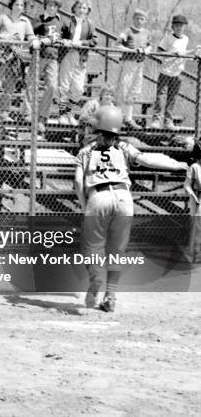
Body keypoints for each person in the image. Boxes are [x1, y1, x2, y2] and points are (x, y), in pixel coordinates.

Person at [74, 105, 187, 312]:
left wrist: (85, 207)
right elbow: (146, 159)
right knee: (117, 249)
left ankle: (95, 279)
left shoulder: (84, 152)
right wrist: (176, 164)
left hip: (98, 197)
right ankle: (111, 295)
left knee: (91, 247)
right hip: (124, 198)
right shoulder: (124, 147)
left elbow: (78, 184)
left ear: (98, 129)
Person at [0, 0, 35, 123]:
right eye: (17, 4)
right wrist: (4, 37)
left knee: (10, 86)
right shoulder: (3, 18)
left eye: (22, 5)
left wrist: (33, 40)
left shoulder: (25, 22)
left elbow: (30, 36)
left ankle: (3, 112)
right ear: (11, 5)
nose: (19, 7)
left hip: (16, 56)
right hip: (2, 54)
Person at [24, 0, 67, 136]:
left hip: (53, 58)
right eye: (50, 5)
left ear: (58, 8)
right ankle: (28, 113)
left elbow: (66, 39)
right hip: (38, 56)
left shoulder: (61, 22)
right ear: (45, 6)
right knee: (32, 83)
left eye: (55, 5)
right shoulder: (38, 19)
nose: (52, 7)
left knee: (52, 86)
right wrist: (41, 40)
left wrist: (60, 46)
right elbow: (29, 36)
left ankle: (42, 117)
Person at [148, 14, 194, 130]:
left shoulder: (185, 39)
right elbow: (159, 51)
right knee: (161, 97)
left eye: (181, 25)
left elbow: (183, 53)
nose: (179, 28)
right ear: (173, 27)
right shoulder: (168, 38)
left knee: (172, 98)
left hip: (177, 73)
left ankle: (168, 121)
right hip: (165, 72)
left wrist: (193, 51)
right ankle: (156, 120)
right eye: (177, 25)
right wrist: (173, 55)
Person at [57, 0, 98, 126]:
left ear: (88, 10)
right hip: (67, 54)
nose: (81, 10)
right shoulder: (67, 21)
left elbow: (94, 41)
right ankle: (62, 114)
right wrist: (66, 42)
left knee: (78, 88)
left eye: (84, 8)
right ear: (74, 8)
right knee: (64, 86)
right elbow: (59, 36)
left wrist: (81, 43)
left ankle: (69, 111)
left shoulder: (90, 24)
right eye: (79, 7)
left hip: (81, 57)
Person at [114, 8, 152, 129]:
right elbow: (117, 45)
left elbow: (150, 47)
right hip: (128, 62)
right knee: (123, 90)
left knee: (134, 91)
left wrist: (145, 50)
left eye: (142, 19)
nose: (140, 21)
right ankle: (118, 117)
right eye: (137, 18)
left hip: (139, 63)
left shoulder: (147, 33)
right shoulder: (127, 31)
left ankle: (128, 118)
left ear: (145, 21)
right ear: (133, 18)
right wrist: (131, 50)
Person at [184, 142, 201, 263]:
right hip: (198, 198)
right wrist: (193, 195)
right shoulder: (195, 167)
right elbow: (187, 185)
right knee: (198, 227)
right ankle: (197, 254)